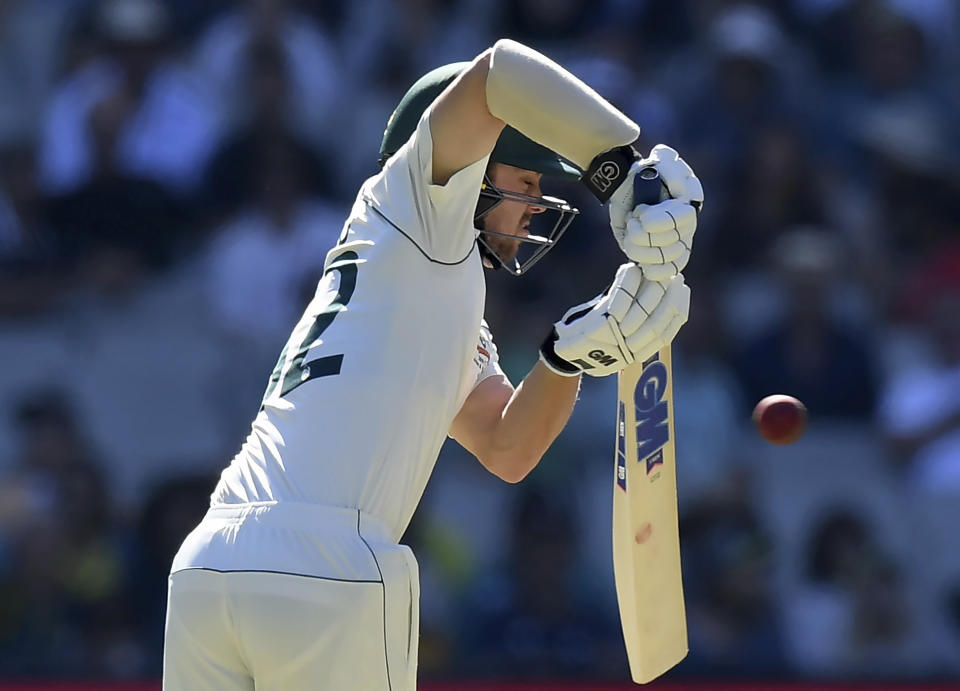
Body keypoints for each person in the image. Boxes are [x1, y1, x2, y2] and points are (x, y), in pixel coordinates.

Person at [162, 39, 703, 690]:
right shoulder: (419, 202)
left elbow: (507, 445)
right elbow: (499, 71)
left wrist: (568, 357)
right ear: (471, 169)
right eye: (526, 182)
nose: (536, 204)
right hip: (328, 565)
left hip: (209, 566)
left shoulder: (423, 287)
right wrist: (618, 171)